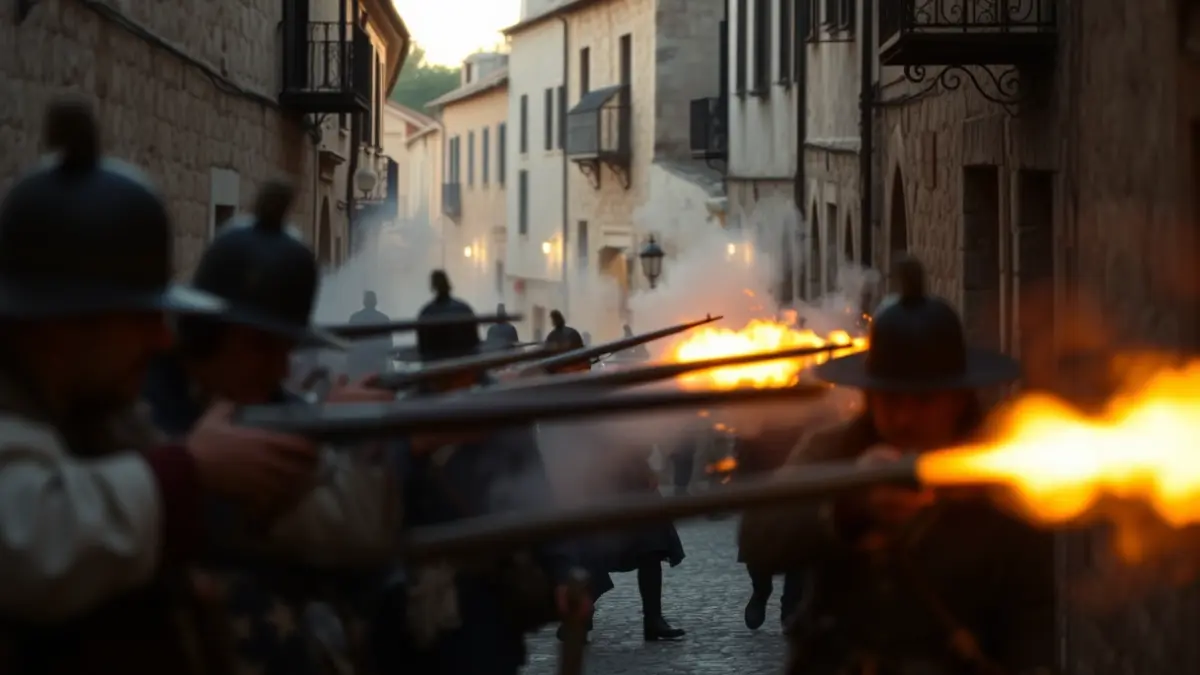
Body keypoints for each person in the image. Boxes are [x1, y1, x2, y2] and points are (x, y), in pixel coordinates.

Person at [0, 99, 320, 673]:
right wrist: (188, 471)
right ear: (61, 325)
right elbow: (27, 544)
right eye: (139, 319)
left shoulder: (98, 413)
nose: (164, 339)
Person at [739, 256, 1054, 675]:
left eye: (923, 400)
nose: (904, 418)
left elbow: (1032, 619)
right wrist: (849, 509)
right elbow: (759, 537)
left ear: (958, 398)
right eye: (890, 399)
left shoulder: (1004, 473)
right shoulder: (834, 450)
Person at [141, 181, 403, 675]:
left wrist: (339, 435)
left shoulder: (268, 403)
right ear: (207, 333)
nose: (280, 369)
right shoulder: (146, 409)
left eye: (286, 350)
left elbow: (362, 536)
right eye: (262, 348)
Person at [372, 275, 587, 675]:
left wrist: (562, 571)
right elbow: (374, 506)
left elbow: (537, 498)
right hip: (412, 602)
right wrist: (415, 446)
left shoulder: (501, 413)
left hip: (487, 601)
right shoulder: (401, 418)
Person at [346, 290, 394, 378]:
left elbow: (349, 341)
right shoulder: (383, 318)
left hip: (359, 361)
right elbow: (389, 343)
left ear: (364, 302)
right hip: (377, 362)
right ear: (375, 302)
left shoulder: (355, 318)